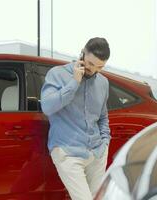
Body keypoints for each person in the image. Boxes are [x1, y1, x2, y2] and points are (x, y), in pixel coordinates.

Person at [40, 37, 111, 200]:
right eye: (90, 64)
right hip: (68, 151)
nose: (93, 70)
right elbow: (47, 107)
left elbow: (102, 117)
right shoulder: (57, 74)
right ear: (82, 54)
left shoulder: (103, 83)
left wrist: (105, 142)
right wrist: (74, 83)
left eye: (99, 67)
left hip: (97, 152)